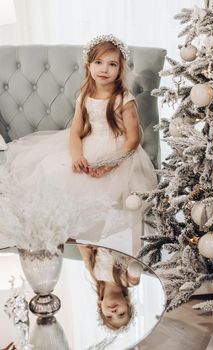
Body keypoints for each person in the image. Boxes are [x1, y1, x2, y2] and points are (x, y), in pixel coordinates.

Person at [6, 34, 156, 237]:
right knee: (58, 174)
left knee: (99, 189)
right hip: (89, 145)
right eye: (99, 62)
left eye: (112, 64)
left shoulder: (124, 99)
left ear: (120, 69)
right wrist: (78, 156)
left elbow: (133, 139)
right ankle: (56, 230)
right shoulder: (84, 95)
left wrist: (111, 162)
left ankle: (92, 238)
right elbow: (75, 132)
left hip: (118, 152)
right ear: (89, 65)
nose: (104, 69)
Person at [79, 245, 142, 330]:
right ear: (127, 303)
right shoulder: (126, 281)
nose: (114, 312)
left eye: (109, 316)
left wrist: (89, 245)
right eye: (121, 314)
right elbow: (135, 268)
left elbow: (83, 247)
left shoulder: (96, 275)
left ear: (100, 305)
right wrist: (134, 278)